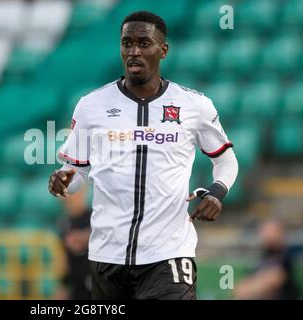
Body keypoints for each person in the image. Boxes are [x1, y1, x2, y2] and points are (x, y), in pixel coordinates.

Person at [48, 11, 239, 300]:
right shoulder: (92, 106)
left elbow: (225, 159)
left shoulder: (193, 105)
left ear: (163, 50)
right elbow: (78, 171)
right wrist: (64, 182)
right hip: (107, 256)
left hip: (169, 254)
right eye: (127, 43)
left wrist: (216, 192)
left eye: (144, 43)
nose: (134, 51)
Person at [234, 219, 299, 300]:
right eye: (264, 231)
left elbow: (274, 279)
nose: (267, 235)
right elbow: (239, 287)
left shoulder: (284, 256)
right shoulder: (261, 258)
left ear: (281, 234)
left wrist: (250, 288)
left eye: (271, 232)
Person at [58, 188, 92, 300]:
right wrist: (63, 286)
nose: (68, 197)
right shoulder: (63, 223)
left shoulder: (95, 217)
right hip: (77, 288)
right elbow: (66, 261)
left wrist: (85, 237)